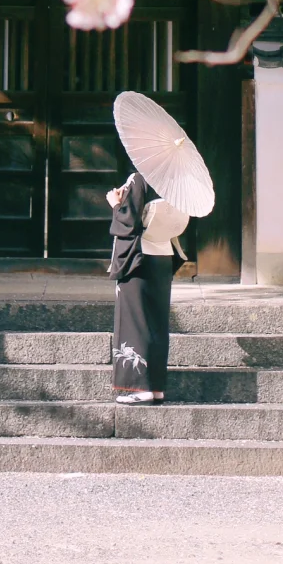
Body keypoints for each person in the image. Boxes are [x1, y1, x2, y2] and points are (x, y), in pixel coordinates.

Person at [106, 170, 189, 404]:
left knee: (136, 320)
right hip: (163, 255)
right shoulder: (176, 180)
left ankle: (140, 387)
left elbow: (128, 222)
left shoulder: (140, 178)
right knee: (157, 321)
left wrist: (115, 204)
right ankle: (156, 387)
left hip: (139, 257)